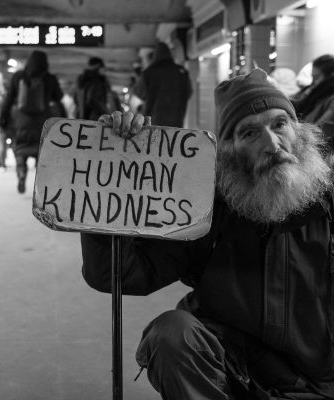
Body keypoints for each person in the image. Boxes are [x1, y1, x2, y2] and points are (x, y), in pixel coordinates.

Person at [80, 69, 334, 399]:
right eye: (249, 134)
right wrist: (115, 179)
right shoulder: (205, 211)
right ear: (230, 151)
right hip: (232, 377)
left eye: (279, 124)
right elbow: (120, 274)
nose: (272, 144)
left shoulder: (328, 206)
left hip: (318, 384)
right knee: (171, 334)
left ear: (297, 131)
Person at [0, 50, 66, 194]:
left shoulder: (18, 76)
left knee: (20, 150)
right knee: (41, 154)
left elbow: (8, 99)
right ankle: (40, 183)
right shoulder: (49, 78)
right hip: (43, 122)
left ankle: (22, 172)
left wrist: (3, 119)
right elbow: (58, 98)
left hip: (21, 121)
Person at [131, 41, 192, 127]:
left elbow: (138, 91)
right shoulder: (182, 72)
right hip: (177, 122)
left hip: (154, 122)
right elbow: (188, 93)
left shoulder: (149, 73)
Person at [292, 54, 334, 152]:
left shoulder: (330, 99)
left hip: (315, 150)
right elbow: (298, 104)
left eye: (317, 77)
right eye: (312, 77)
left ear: (331, 76)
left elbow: (320, 132)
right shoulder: (316, 92)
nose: (314, 82)